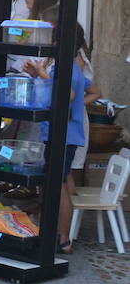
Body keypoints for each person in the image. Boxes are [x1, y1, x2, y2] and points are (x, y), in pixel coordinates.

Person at [55, 24, 99, 254]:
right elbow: (90, 91)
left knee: (61, 185)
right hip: (68, 132)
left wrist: (42, 75)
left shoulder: (70, 67)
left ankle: (64, 238)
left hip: (65, 132)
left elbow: (70, 95)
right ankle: (61, 234)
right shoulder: (73, 65)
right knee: (62, 180)